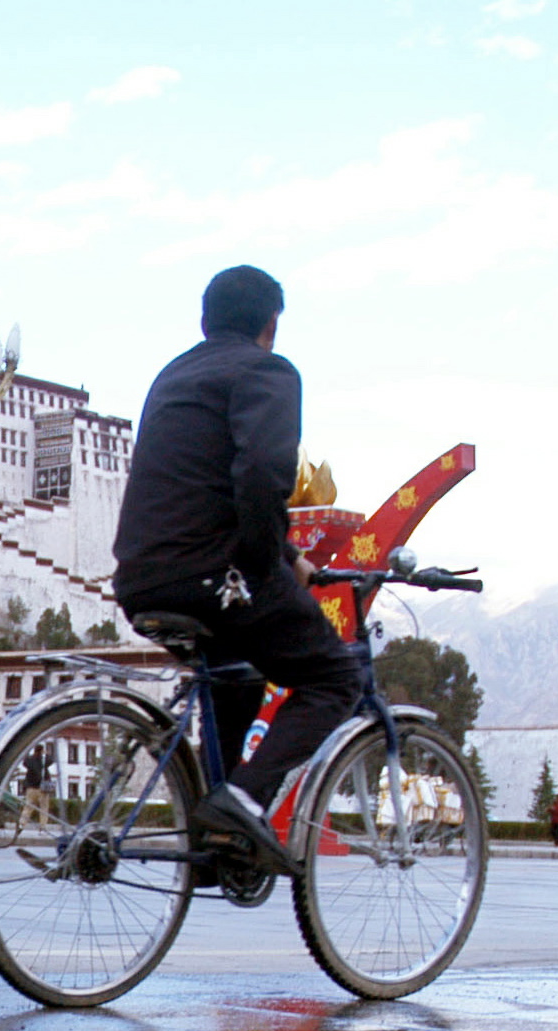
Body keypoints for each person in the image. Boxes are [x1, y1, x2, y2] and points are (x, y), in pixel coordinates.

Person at [111, 265, 363, 872]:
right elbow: (260, 480)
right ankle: (245, 800)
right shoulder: (267, 371)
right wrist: (264, 567)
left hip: (141, 574)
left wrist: (287, 558)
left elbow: (204, 487)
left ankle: (217, 840)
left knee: (240, 676)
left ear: (205, 321)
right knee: (335, 677)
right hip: (214, 577)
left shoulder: (174, 375)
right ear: (271, 324)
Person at [20, 741, 54, 827]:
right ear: (42, 751)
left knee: (28, 807)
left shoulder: (30, 760)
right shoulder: (44, 760)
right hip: (43, 788)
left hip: (31, 787)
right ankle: (43, 826)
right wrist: (47, 754)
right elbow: (51, 760)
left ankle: (22, 823)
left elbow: (24, 762)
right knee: (44, 808)